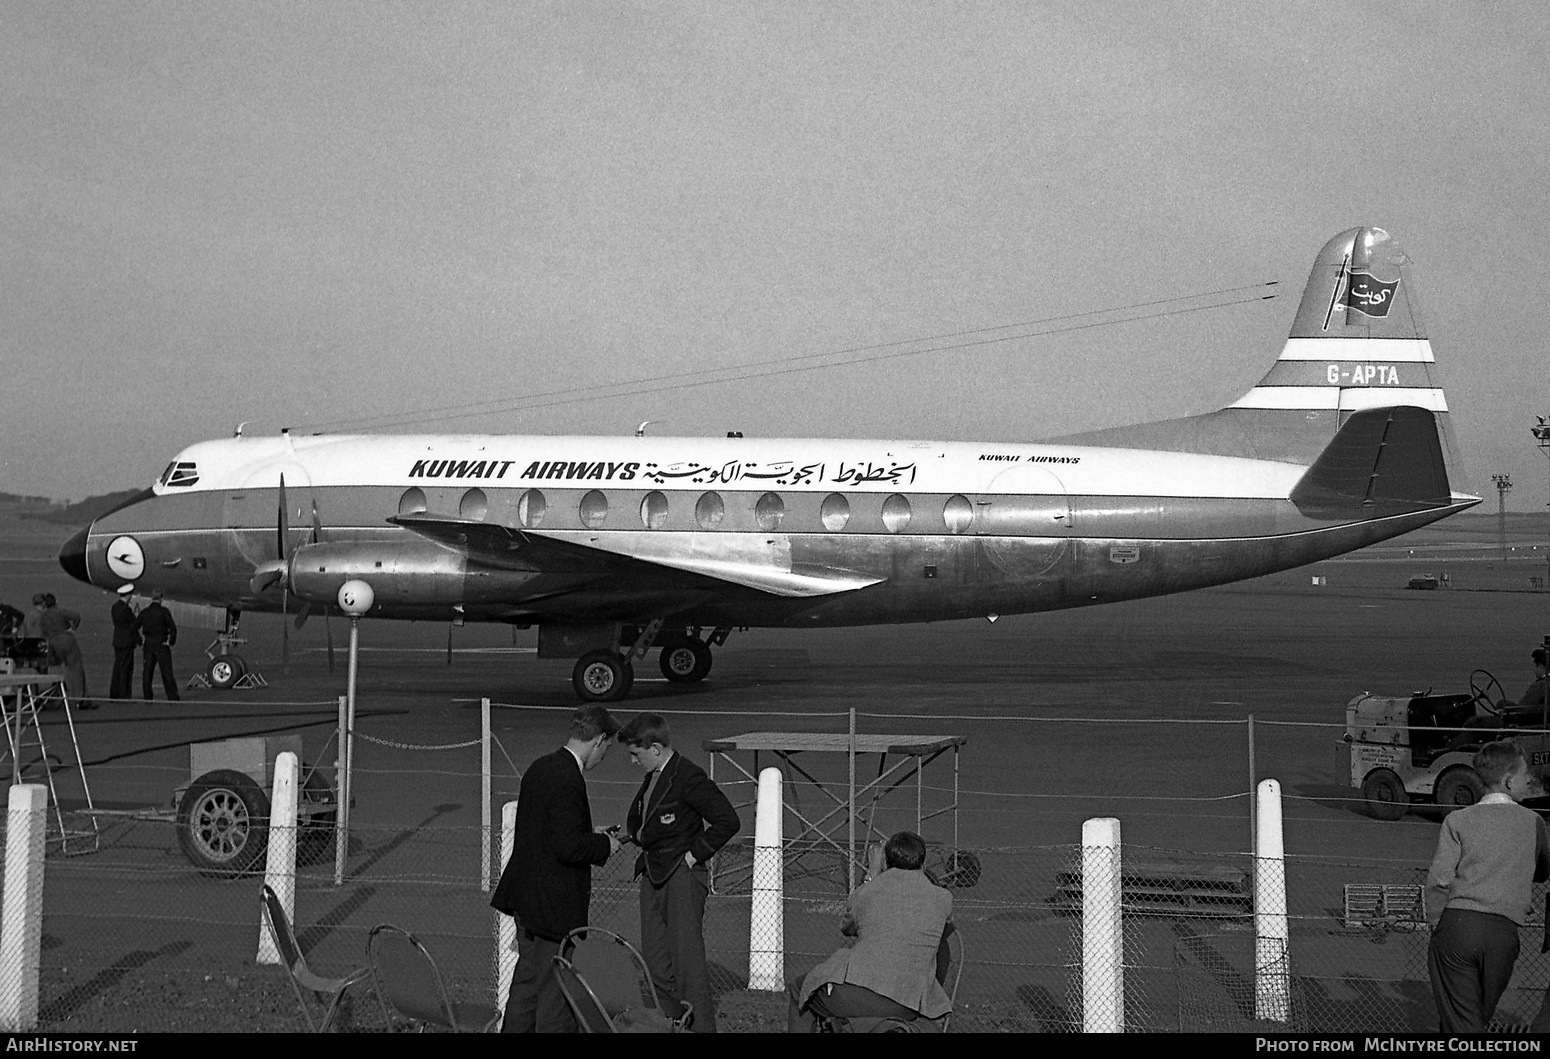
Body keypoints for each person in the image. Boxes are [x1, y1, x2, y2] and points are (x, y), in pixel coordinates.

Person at [491, 704, 622, 1033]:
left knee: (526, 988)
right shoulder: (569, 780)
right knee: (555, 995)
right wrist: (605, 845)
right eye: (606, 749)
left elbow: (547, 833)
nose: (603, 757)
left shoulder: (541, 767)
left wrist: (591, 835)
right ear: (599, 739)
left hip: (525, 898)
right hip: (553, 905)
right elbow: (566, 846)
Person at [618, 712, 740, 1032]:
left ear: (655, 748)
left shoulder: (688, 776)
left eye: (636, 754)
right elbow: (647, 824)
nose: (633, 761)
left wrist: (693, 856)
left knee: (687, 963)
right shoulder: (654, 776)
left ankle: (700, 1028)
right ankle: (671, 1025)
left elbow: (727, 821)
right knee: (657, 962)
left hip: (681, 875)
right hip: (653, 872)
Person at [1425, 740, 1550, 1032]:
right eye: (1524, 775)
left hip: (1457, 926)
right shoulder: (1533, 823)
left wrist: (1436, 923)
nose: (1529, 780)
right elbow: (1543, 871)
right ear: (1508, 782)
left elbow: (1439, 880)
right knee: (1476, 1018)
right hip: (1503, 934)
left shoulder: (1458, 820)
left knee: (1460, 1021)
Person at [788, 830, 954, 1032]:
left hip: (857, 995)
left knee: (800, 989)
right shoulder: (942, 899)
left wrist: (872, 873)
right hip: (909, 1004)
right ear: (923, 863)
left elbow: (847, 927)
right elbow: (940, 939)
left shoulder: (869, 891)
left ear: (885, 862)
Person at [38, 593, 92, 710]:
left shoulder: (43, 616)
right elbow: (76, 616)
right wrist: (73, 628)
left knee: (61, 669)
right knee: (76, 669)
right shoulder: (60, 611)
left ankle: (59, 694)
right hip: (66, 640)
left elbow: (43, 632)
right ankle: (80, 699)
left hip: (53, 643)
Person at [138, 589, 180, 702]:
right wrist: (171, 641)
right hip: (161, 644)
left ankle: (147, 696)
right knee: (167, 672)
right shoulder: (164, 612)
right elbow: (173, 628)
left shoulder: (144, 612)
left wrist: (140, 641)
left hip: (148, 644)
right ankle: (172, 696)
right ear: (161, 599)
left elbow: (135, 627)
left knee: (147, 672)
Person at [109, 586, 141, 700]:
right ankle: (124, 694)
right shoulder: (126, 610)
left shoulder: (115, 607)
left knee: (117, 667)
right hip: (127, 642)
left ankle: (114, 692)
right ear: (128, 595)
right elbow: (133, 625)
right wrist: (139, 640)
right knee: (126, 669)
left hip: (117, 640)